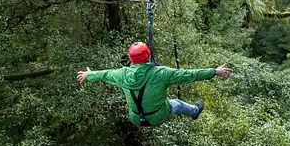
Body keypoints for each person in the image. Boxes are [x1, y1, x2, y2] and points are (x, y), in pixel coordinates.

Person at [77, 42, 233, 127]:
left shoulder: (122, 74)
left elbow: (104, 74)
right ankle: (194, 111)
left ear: (131, 59)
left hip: (136, 118)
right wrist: (214, 71)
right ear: (148, 56)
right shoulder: (161, 73)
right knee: (176, 104)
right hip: (158, 116)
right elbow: (189, 75)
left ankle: (192, 111)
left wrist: (88, 75)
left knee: (143, 101)